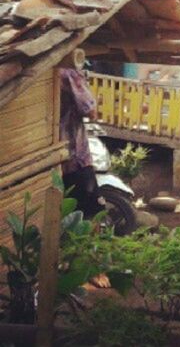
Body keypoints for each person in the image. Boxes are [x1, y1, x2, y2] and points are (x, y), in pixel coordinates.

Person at [59, 68, 110, 288]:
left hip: (51, 158)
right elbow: (90, 110)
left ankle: (67, 263)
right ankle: (92, 270)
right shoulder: (68, 73)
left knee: (64, 213)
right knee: (92, 215)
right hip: (75, 157)